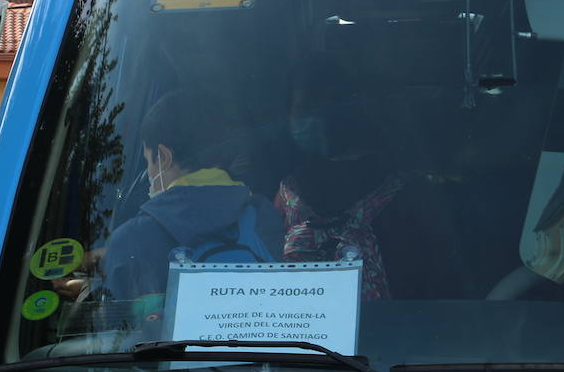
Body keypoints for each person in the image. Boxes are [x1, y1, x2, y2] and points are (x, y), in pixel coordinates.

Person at [101, 92, 283, 309]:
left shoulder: (129, 240)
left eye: (148, 161)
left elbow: (113, 332)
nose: (149, 173)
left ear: (164, 157)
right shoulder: (264, 216)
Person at [274, 54, 404, 300]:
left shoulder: (288, 194)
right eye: (304, 110)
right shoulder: (401, 187)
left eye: (316, 109)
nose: (313, 119)